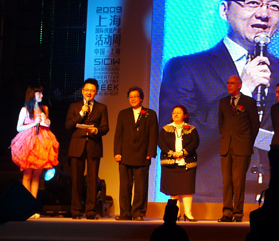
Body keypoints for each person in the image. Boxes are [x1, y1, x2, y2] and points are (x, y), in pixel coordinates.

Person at [159, 0, 279, 202]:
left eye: (274, 6)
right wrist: (241, 92)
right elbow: (178, 142)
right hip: (211, 198)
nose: (264, 14)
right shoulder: (186, 68)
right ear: (225, 10)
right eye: (253, 3)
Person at [10, 85, 59, 218]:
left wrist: (46, 121)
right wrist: (33, 123)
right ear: (32, 94)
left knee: (37, 177)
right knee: (27, 175)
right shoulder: (25, 110)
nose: (41, 96)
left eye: (42, 94)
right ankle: (26, 206)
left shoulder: (45, 108)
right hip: (28, 142)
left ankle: (33, 207)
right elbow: (19, 127)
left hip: (42, 141)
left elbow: (47, 125)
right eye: (38, 93)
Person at [65, 78, 109, 220]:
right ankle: (76, 211)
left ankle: (90, 211)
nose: (89, 92)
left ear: (96, 92)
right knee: (76, 180)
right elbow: (68, 125)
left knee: (92, 181)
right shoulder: (74, 106)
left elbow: (105, 128)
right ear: (82, 91)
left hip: (93, 146)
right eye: (87, 90)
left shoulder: (101, 108)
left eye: (92, 90)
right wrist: (81, 114)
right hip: (77, 146)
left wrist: (96, 131)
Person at [218, 75, 260, 222]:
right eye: (228, 83)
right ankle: (227, 212)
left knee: (239, 181)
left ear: (240, 85)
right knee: (226, 181)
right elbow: (221, 124)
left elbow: (255, 125)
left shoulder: (249, 102)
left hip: (242, 147)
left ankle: (238, 213)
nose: (229, 85)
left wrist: (248, 142)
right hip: (226, 147)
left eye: (232, 83)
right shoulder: (223, 102)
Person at [114, 87, 158, 221]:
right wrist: (117, 152)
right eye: (130, 97)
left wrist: (150, 152)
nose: (132, 99)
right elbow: (118, 135)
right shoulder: (123, 113)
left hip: (143, 155)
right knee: (125, 187)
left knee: (140, 187)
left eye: (135, 96)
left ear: (141, 98)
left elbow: (153, 134)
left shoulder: (150, 114)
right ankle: (125, 213)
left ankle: (138, 213)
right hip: (125, 155)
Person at [158, 105, 200, 221]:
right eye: (174, 113)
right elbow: (161, 143)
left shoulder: (191, 129)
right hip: (171, 163)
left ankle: (188, 213)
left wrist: (183, 152)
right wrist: (172, 153)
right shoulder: (166, 129)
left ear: (185, 115)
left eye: (179, 112)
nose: (175, 114)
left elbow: (195, 143)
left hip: (187, 163)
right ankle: (176, 213)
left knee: (187, 189)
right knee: (173, 190)